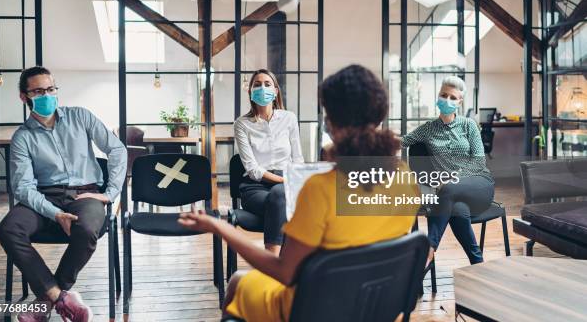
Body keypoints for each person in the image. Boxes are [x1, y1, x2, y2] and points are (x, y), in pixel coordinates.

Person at [180, 64, 417, 321]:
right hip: (376, 306)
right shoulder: (406, 180)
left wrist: (219, 227)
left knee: (238, 280)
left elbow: (286, 273)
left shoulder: (320, 190)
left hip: (316, 308)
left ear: (331, 123)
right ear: (379, 115)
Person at [0, 66, 127, 322]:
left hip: (85, 195)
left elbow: (118, 150)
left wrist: (110, 193)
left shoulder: (81, 117)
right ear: (24, 97)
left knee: (87, 229)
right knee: (8, 229)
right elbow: (23, 188)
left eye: (51, 89)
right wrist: (55, 214)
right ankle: (60, 296)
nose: (47, 95)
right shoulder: (22, 137)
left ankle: (46, 298)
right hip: (42, 199)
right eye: (39, 91)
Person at [402, 76, 494, 265]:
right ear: (438, 96)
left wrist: (453, 178)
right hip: (450, 195)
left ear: (459, 102)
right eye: (444, 95)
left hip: (479, 186)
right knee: (457, 209)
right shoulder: (427, 129)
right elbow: (402, 141)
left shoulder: (469, 125)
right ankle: (478, 263)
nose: (447, 100)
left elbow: (479, 162)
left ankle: (428, 249)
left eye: (453, 97)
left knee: (448, 189)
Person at [233, 69, 304, 254]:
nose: (262, 88)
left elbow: (297, 158)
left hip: (286, 183)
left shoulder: (289, 118)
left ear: (275, 90)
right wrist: (285, 182)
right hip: (255, 187)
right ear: (250, 91)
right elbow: (252, 169)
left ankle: (274, 263)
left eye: (267, 84)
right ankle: (279, 260)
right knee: (281, 200)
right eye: (257, 85)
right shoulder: (242, 124)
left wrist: (296, 182)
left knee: (280, 198)